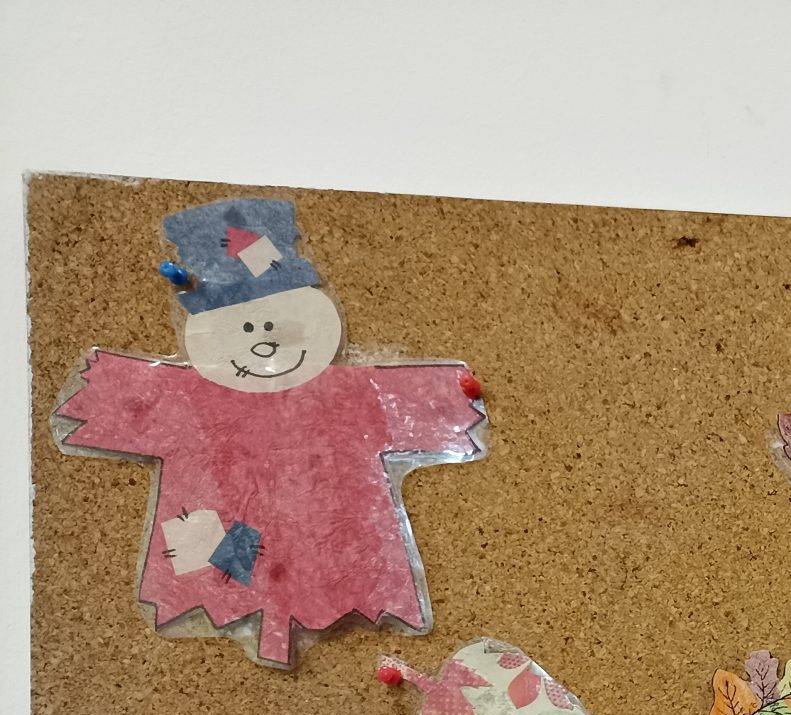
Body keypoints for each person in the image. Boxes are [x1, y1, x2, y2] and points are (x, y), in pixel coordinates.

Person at [53, 198, 486, 667]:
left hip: (332, 541)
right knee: (233, 571)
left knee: (297, 576)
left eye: (276, 326)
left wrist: (456, 393)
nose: (263, 343)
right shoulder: (190, 395)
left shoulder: (351, 394)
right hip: (232, 533)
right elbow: (119, 401)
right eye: (246, 328)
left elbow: (428, 403)